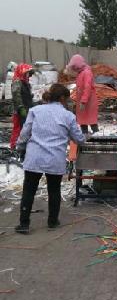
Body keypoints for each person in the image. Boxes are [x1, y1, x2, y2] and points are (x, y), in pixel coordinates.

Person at [15, 84, 85, 234]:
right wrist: (83, 139)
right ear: (61, 98)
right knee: (54, 190)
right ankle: (53, 222)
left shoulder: (35, 111)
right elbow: (79, 139)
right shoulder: (68, 116)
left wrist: (20, 147)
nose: (67, 103)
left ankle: (24, 224)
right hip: (55, 159)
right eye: (67, 99)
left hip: (34, 157)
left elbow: (24, 134)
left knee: (28, 191)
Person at [66, 54, 98, 134]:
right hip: (82, 100)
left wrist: (83, 101)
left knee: (91, 120)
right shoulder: (81, 73)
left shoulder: (86, 72)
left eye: (74, 67)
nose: (74, 69)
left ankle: (97, 136)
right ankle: (84, 136)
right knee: (83, 120)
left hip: (89, 101)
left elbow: (87, 88)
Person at [10, 63, 34, 150]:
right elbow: (16, 96)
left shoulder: (25, 82)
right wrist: (20, 108)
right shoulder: (17, 82)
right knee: (19, 128)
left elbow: (25, 94)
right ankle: (15, 146)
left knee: (25, 128)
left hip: (27, 108)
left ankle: (24, 146)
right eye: (27, 73)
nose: (28, 75)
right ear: (22, 72)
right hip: (20, 110)